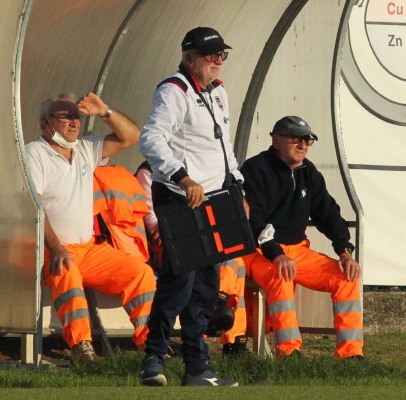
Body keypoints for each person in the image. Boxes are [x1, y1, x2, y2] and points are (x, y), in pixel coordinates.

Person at [138, 27, 242, 386]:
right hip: (179, 196)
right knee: (179, 280)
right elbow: (151, 139)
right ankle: (153, 359)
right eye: (211, 54)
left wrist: (237, 182)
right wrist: (182, 178)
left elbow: (221, 143)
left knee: (207, 286)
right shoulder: (174, 89)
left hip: (213, 197)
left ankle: (197, 367)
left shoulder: (218, 91)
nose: (218, 61)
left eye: (221, 55)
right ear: (189, 58)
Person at [25, 93, 156, 366]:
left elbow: (130, 136)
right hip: (49, 250)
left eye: (76, 117)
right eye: (64, 116)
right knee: (66, 267)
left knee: (140, 272)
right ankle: (81, 347)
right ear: (44, 122)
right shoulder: (34, 153)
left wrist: (105, 111)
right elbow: (34, 208)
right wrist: (57, 247)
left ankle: (152, 345)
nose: (74, 123)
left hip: (87, 248)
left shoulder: (85, 149)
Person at [241, 116, 364, 359]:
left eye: (307, 140)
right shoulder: (255, 168)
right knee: (281, 275)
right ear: (275, 140)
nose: (302, 145)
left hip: (296, 250)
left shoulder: (309, 172)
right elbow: (254, 218)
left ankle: (351, 356)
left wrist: (344, 252)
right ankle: (289, 354)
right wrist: (276, 254)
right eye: (295, 138)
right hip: (257, 250)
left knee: (347, 277)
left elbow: (328, 213)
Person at [135, 161, 247, 356]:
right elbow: (152, 218)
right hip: (166, 243)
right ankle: (204, 327)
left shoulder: (200, 168)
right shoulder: (150, 171)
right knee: (202, 262)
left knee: (234, 261)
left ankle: (233, 339)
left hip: (199, 237)